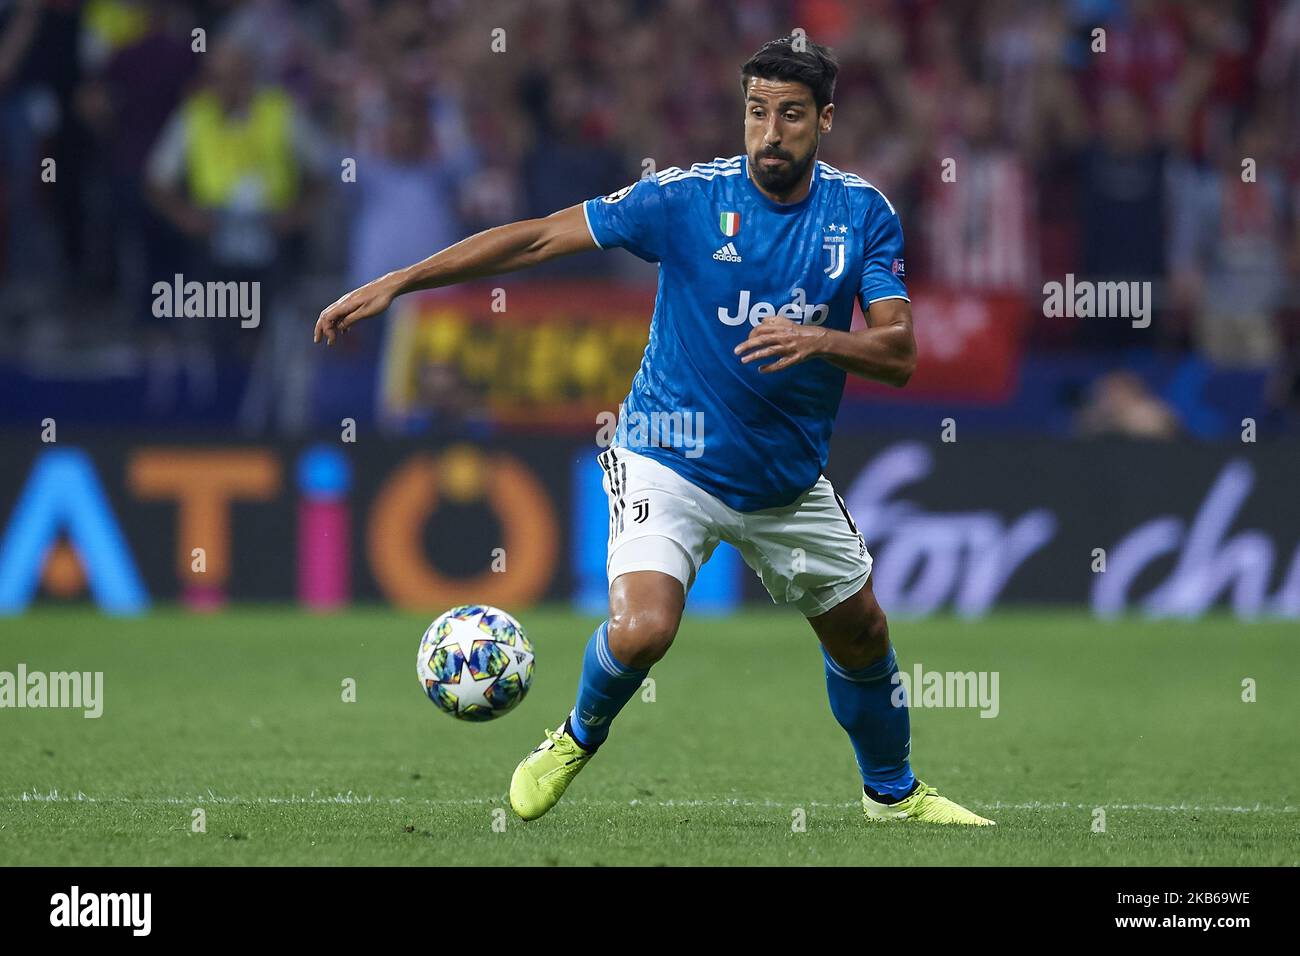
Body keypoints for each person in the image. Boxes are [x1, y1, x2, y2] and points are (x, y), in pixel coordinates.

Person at [315, 36, 993, 827]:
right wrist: (404, 280)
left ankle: (894, 796)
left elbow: (901, 353)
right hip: (665, 457)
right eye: (757, 112)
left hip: (784, 480)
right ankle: (574, 736)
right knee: (642, 632)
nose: (771, 132)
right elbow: (538, 236)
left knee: (862, 629)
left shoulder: (861, 214)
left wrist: (821, 340)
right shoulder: (683, 201)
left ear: (826, 121)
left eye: (792, 115)